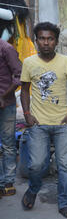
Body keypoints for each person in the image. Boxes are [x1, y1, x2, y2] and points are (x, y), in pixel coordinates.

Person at [20, 22, 67, 218]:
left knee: (65, 166)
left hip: (62, 123)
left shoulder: (66, 62)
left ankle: (63, 203)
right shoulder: (29, 63)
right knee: (36, 165)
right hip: (38, 124)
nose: (46, 42)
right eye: (42, 39)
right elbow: (25, 90)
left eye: (50, 39)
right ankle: (33, 189)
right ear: (37, 41)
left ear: (56, 41)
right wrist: (27, 114)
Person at [0, 38, 22, 197]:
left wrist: (3, 95)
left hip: (5, 104)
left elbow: (19, 76)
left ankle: (8, 182)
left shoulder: (6, 48)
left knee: (7, 143)